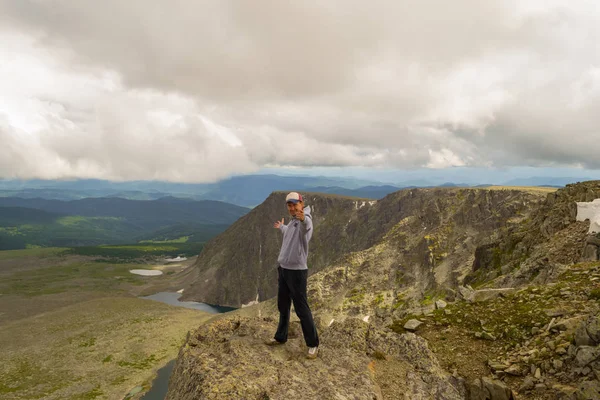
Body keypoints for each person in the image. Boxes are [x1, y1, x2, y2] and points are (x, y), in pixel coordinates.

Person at [265, 191, 319, 359]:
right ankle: (281, 337)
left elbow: (306, 228)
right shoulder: (292, 222)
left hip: (297, 273)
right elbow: (290, 233)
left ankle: (312, 344)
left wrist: (303, 218)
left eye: (295, 204)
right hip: (284, 270)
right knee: (283, 306)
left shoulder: (304, 220)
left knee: (302, 309)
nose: (292, 207)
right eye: (289, 205)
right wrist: (282, 227)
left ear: (302, 204)